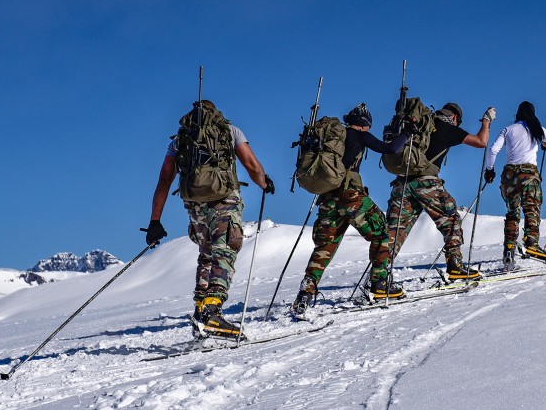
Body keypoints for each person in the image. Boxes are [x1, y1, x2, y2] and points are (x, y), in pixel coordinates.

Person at [144, 100, 274, 339]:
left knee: (206, 253)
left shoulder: (179, 140)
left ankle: (201, 312)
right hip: (224, 200)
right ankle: (213, 312)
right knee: (225, 250)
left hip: (194, 205)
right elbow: (251, 164)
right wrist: (264, 183)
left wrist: (155, 221)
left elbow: (164, 180)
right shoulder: (229, 131)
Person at [291, 103, 409, 315]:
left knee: (324, 247)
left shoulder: (331, 139)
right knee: (381, 232)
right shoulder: (359, 135)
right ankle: (380, 285)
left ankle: (305, 293)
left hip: (327, 198)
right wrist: (407, 133)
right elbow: (391, 149)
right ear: (365, 124)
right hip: (350, 195)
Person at [384, 101, 495, 282]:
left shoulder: (418, 126)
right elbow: (481, 142)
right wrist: (486, 121)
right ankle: (455, 265)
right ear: (454, 117)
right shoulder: (447, 127)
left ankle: (378, 279)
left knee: (395, 231)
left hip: (402, 183)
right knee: (451, 218)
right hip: (426, 183)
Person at [483, 101, 546, 266]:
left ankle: (508, 252)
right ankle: (531, 243)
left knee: (512, 213)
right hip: (528, 174)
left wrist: (489, 170)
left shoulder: (507, 129)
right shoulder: (536, 128)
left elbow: (493, 150)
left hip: (508, 176)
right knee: (532, 208)